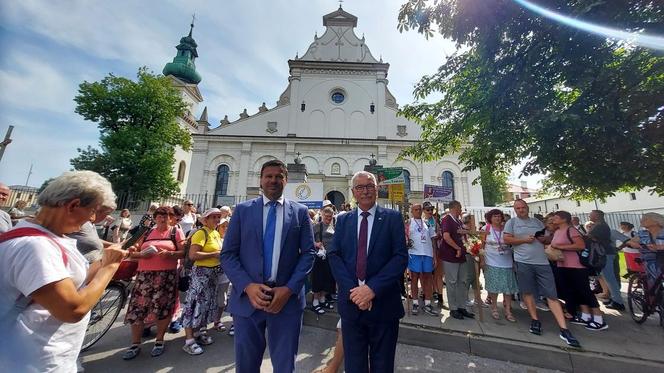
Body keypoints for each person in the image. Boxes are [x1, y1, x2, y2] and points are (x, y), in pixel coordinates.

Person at [0, 170, 126, 372]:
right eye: (93, 210)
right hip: (33, 362)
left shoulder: (49, 238)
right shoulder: (36, 247)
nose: (93, 219)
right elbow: (72, 309)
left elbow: (74, 280)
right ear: (73, 205)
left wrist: (106, 260)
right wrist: (110, 268)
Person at [221, 160, 315, 373]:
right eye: (269, 176)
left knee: (284, 365)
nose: (273, 180)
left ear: (286, 180)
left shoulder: (300, 212)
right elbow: (227, 255)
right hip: (248, 301)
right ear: (260, 180)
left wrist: (289, 288)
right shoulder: (243, 211)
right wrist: (247, 285)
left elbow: (308, 254)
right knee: (246, 364)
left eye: (278, 176)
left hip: (286, 301)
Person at [327, 170, 408, 373]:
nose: (366, 191)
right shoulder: (344, 220)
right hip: (352, 305)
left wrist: (371, 289)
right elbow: (334, 255)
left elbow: (400, 257)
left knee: (383, 365)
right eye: (360, 187)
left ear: (377, 189)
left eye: (370, 186)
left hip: (383, 305)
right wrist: (354, 291)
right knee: (354, 365)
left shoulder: (392, 218)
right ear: (353, 192)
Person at [503, 199, 580, 348]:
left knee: (551, 295)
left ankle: (564, 328)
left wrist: (546, 239)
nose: (521, 210)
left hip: (542, 262)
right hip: (523, 261)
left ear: (527, 208)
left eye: (523, 207)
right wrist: (524, 240)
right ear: (515, 210)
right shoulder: (511, 223)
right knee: (528, 292)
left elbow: (548, 239)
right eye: (517, 208)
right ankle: (535, 320)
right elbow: (506, 239)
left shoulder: (537, 223)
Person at [122, 206, 185, 359]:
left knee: (162, 307)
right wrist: (139, 253)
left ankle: (159, 340)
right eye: (159, 216)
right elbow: (132, 250)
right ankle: (135, 343)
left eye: (167, 216)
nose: (163, 218)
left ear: (171, 218)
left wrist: (170, 254)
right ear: (155, 217)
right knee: (138, 308)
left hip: (165, 276)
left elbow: (183, 252)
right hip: (144, 275)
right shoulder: (147, 232)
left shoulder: (175, 232)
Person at [549, 211, 608, 330]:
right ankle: (585, 315)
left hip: (576, 265)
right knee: (576, 291)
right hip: (563, 265)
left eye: (556, 217)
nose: (553, 220)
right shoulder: (558, 231)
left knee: (585, 291)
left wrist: (560, 247)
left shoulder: (571, 230)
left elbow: (580, 245)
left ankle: (598, 318)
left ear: (564, 219)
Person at [181, 208, 224, 355]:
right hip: (201, 274)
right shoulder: (201, 232)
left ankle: (199, 333)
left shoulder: (216, 233)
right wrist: (214, 254)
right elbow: (193, 255)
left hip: (212, 274)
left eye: (218, 217)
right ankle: (189, 340)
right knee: (193, 304)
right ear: (206, 220)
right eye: (214, 217)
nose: (217, 220)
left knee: (205, 304)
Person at [481, 209, 518, 322]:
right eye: (494, 216)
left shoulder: (507, 229)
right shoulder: (486, 229)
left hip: (506, 260)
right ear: (490, 218)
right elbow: (481, 245)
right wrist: (482, 260)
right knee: (494, 286)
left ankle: (508, 311)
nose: (497, 218)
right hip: (491, 260)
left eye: (499, 216)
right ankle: (494, 308)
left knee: (507, 287)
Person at [440, 200, 475, 320]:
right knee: (452, 282)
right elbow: (446, 236)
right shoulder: (447, 219)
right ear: (456, 207)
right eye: (460, 208)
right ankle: (453, 308)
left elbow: (461, 233)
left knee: (462, 281)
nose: (461, 210)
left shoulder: (458, 221)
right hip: (451, 255)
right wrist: (457, 247)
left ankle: (461, 306)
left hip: (461, 256)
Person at [588, 210, 625, 311]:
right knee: (607, 277)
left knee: (610, 278)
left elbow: (590, 237)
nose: (589, 216)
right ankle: (614, 298)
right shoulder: (601, 225)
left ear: (597, 216)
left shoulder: (600, 226)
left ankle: (618, 302)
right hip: (606, 253)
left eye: (591, 214)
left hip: (605, 253)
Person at [406, 203, 437, 316]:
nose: (418, 211)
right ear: (412, 211)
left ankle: (427, 303)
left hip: (427, 254)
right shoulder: (409, 223)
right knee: (414, 278)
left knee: (428, 278)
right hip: (414, 254)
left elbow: (433, 239)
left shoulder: (428, 223)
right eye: (415, 209)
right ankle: (415, 302)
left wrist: (434, 255)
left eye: (419, 209)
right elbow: (405, 238)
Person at [311, 206, 337, 314]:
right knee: (318, 279)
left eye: (330, 217)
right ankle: (315, 302)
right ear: (322, 215)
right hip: (320, 257)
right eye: (326, 216)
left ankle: (322, 299)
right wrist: (316, 244)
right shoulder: (317, 226)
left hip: (330, 257)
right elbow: (307, 239)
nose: (328, 218)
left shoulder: (333, 227)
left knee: (327, 279)